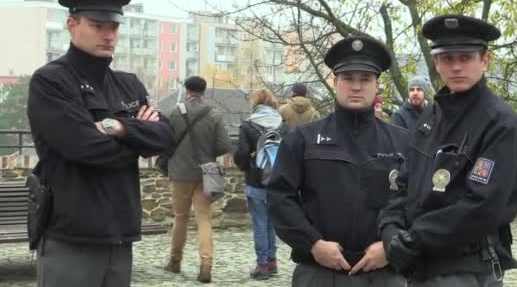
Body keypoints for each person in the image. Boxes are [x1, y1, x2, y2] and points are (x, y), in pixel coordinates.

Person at [27, 0, 174, 287]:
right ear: (72, 24)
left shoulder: (128, 84)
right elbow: (86, 149)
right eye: (97, 26)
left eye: (113, 27)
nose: (108, 35)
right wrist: (138, 138)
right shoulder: (51, 81)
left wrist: (117, 127)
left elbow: (165, 136)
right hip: (71, 235)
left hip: (120, 234)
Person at [379, 14, 517, 286]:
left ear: (485, 60)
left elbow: (483, 205)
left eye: (466, 58)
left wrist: (414, 238)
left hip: (466, 266)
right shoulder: (430, 117)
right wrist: (389, 228)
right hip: (421, 264)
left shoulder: (499, 122)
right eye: (447, 59)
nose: (456, 67)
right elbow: (405, 183)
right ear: (436, 62)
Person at [267, 35, 410, 287]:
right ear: (335, 81)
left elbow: (418, 203)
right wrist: (312, 243)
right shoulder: (303, 139)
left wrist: (392, 244)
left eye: (365, 79)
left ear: (377, 84)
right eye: (348, 78)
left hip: (384, 274)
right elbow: (279, 197)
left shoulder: (403, 143)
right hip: (318, 272)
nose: (356, 86)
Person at [164, 76, 231, 283]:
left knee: (181, 217)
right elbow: (224, 146)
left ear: (187, 90)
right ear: (204, 91)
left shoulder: (174, 113)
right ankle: (205, 265)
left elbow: (165, 142)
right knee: (204, 218)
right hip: (206, 174)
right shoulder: (214, 115)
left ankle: (175, 261)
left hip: (180, 173)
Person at [234, 88, 287, 280]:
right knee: (272, 224)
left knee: (259, 223)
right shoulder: (283, 125)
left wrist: (248, 166)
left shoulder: (248, 125)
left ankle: (262, 265)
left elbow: (240, 153)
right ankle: (272, 262)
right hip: (278, 182)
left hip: (256, 180)